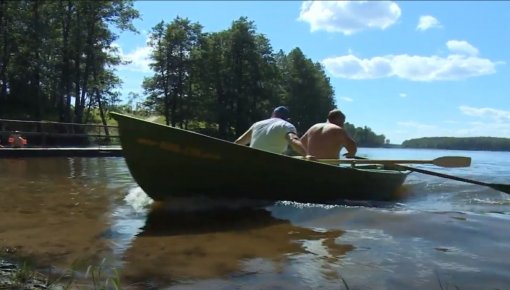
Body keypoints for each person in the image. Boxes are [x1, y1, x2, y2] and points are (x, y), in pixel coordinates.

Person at [234, 106, 309, 157]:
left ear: (273, 114)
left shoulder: (257, 124)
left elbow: (239, 142)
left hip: (251, 162)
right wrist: (306, 155)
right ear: (287, 119)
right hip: (271, 166)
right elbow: (293, 140)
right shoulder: (287, 125)